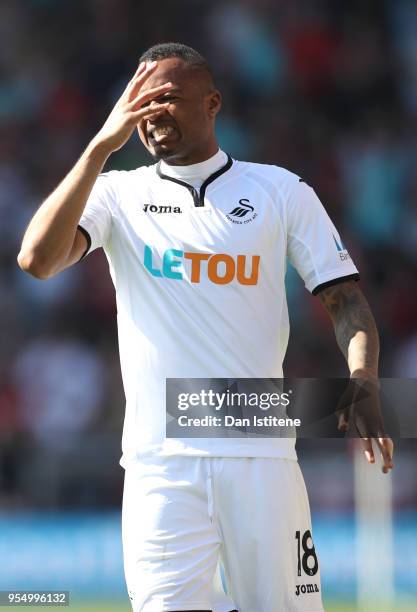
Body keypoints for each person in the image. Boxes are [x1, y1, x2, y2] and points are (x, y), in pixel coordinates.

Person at [18, 43, 394, 612]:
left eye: (166, 97)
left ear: (212, 102)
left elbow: (345, 302)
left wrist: (362, 378)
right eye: (140, 102)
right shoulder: (119, 195)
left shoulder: (280, 191)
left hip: (260, 450)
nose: (151, 112)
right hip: (159, 461)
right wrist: (99, 147)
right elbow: (37, 260)